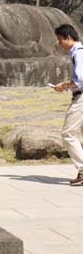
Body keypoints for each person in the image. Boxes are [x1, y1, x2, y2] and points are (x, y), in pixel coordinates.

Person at [52, 24, 83, 185]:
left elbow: (80, 79)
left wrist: (63, 85)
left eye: (60, 39)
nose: (59, 43)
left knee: (68, 133)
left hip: (81, 98)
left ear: (68, 38)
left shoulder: (78, 53)